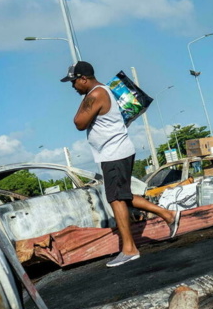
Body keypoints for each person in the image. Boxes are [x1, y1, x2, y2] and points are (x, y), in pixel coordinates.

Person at [62, 61, 180, 267]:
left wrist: (85, 97)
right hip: (115, 153)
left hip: (114, 154)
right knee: (122, 196)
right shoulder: (99, 92)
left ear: (84, 79)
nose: (73, 86)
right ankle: (168, 215)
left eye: (74, 82)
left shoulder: (96, 94)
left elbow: (79, 122)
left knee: (116, 199)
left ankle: (129, 249)